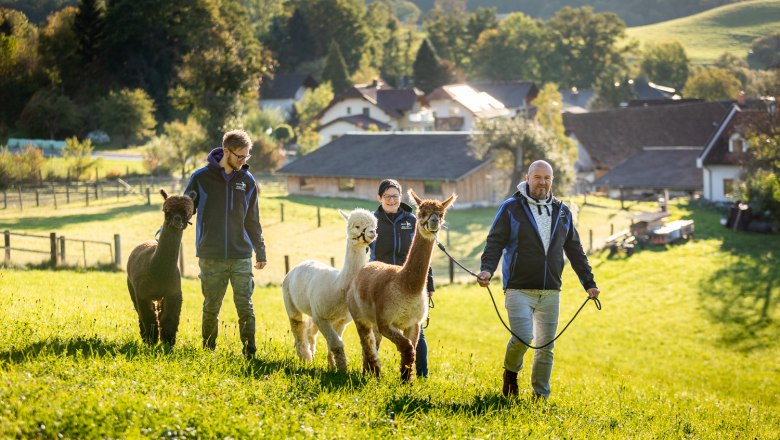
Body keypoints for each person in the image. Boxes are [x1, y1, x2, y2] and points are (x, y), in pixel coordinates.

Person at [476, 160, 600, 399]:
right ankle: (511, 373)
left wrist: (589, 283)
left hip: (551, 290)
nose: (542, 182)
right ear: (528, 178)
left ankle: (540, 396)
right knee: (523, 337)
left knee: (546, 347)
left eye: (547, 178)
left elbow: (575, 249)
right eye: (538, 177)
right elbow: (495, 242)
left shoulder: (562, 211)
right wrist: (487, 270)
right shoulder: (511, 207)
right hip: (518, 288)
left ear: (551, 181)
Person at [184, 129, 267, 359]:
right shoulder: (200, 178)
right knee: (211, 306)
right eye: (240, 156)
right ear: (226, 151)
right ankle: (208, 352)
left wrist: (260, 250)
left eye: (247, 157)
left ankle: (250, 354)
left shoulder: (247, 180)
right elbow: (186, 210)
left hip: (241, 255)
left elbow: (252, 219)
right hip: (211, 255)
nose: (243, 161)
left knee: (245, 308)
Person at [370, 179, 435, 378]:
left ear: (400, 198)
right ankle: (371, 372)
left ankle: (420, 374)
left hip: (409, 282)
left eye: (395, 196)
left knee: (416, 328)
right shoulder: (373, 220)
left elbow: (424, 253)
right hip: (381, 282)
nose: (391, 200)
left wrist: (429, 283)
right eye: (387, 196)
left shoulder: (412, 220)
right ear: (379, 198)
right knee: (377, 329)